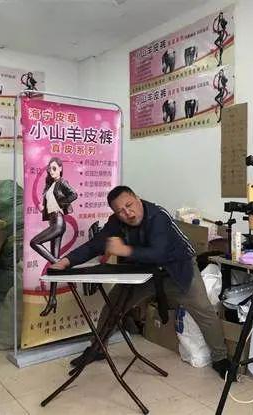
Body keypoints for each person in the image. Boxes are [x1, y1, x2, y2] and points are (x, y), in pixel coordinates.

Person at [50, 186, 230, 378]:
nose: (127, 213)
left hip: (178, 268)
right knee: (113, 305)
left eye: (129, 205)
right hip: (144, 269)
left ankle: (221, 358)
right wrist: (66, 261)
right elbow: (96, 245)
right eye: (120, 211)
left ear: (137, 198)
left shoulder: (158, 216)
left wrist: (124, 250)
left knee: (204, 310)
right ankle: (97, 348)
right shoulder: (116, 222)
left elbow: (159, 252)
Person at [30, 157, 78, 316]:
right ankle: (52, 299)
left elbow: (74, 194)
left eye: (54, 168)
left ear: (61, 168)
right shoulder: (50, 186)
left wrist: (61, 204)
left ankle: (60, 264)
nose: (52, 171)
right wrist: (42, 207)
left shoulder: (62, 182)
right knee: (54, 267)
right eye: (50, 169)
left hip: (58, 222)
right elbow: (48, 204)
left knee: (34, 242)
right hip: (52, 222)